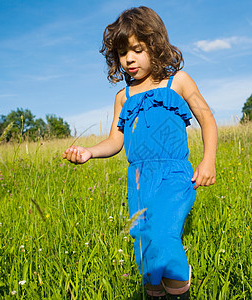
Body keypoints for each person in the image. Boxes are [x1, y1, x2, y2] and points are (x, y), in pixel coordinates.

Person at [62, 6, 217, 299]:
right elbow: (114, 141)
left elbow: (207, 119)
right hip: (138, 179)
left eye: (137, 49)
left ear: (155, 46)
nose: (129, 59)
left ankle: (179, 289)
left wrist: (207, 160)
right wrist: (89, 152)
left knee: (164, 233)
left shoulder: (178, 82)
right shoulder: (124, 96)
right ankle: (155, 292)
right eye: (122, 53)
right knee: (144, 242)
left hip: (173, 172)